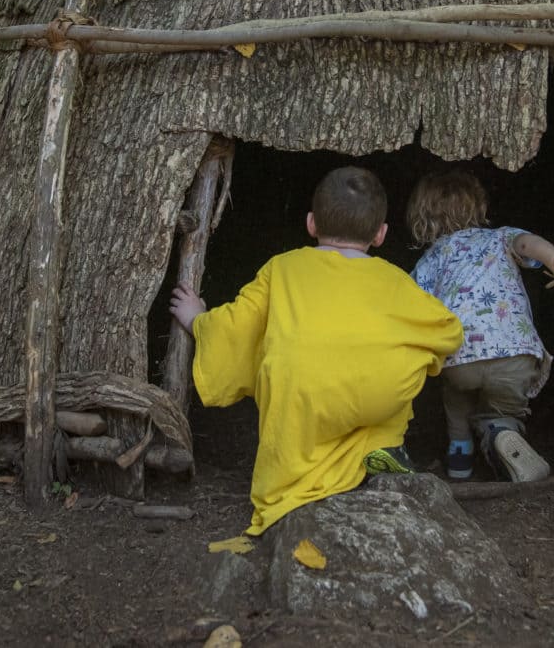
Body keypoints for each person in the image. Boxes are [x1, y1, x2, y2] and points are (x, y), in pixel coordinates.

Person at [169, 166, 463, 536]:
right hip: (376, 399)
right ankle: (381, 447)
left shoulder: (282, 268)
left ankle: (297, 478)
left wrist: (198, 320)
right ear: (381, 234)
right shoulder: (394, 279)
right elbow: (448, 331)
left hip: (303, 401)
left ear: (311, 224)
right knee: (404, 359)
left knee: (286, 368)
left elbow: (236, 327)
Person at [407, 170, 554, 482]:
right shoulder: (501, 237)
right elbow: (526, 243)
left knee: (455, 396)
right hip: (514, 354)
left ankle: (459, 461)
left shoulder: (433, 257)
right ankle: (500, 431)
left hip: (458, 357)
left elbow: (409, 300)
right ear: (479, 207)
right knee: (501, 410)